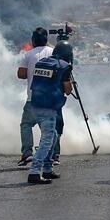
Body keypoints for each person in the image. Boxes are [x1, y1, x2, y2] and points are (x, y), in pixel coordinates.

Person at [27, 41, 74, 185]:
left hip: (35, 104)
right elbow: (68, 90)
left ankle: (47, 168)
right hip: (49, 107)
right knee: (48, 138)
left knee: (53, 135)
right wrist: (69, 80)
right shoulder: (63, 66)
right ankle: (34, 172)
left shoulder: (42, 62)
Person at [17, 28, 53, 166]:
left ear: (33, 41)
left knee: (26, 124)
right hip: (50, 99)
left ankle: (27, 154)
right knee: (51, 128)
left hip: (33, 99)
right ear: (46, 39)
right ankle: (53, 155)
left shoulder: (28, 55)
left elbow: (21, 74)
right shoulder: (53, 52)